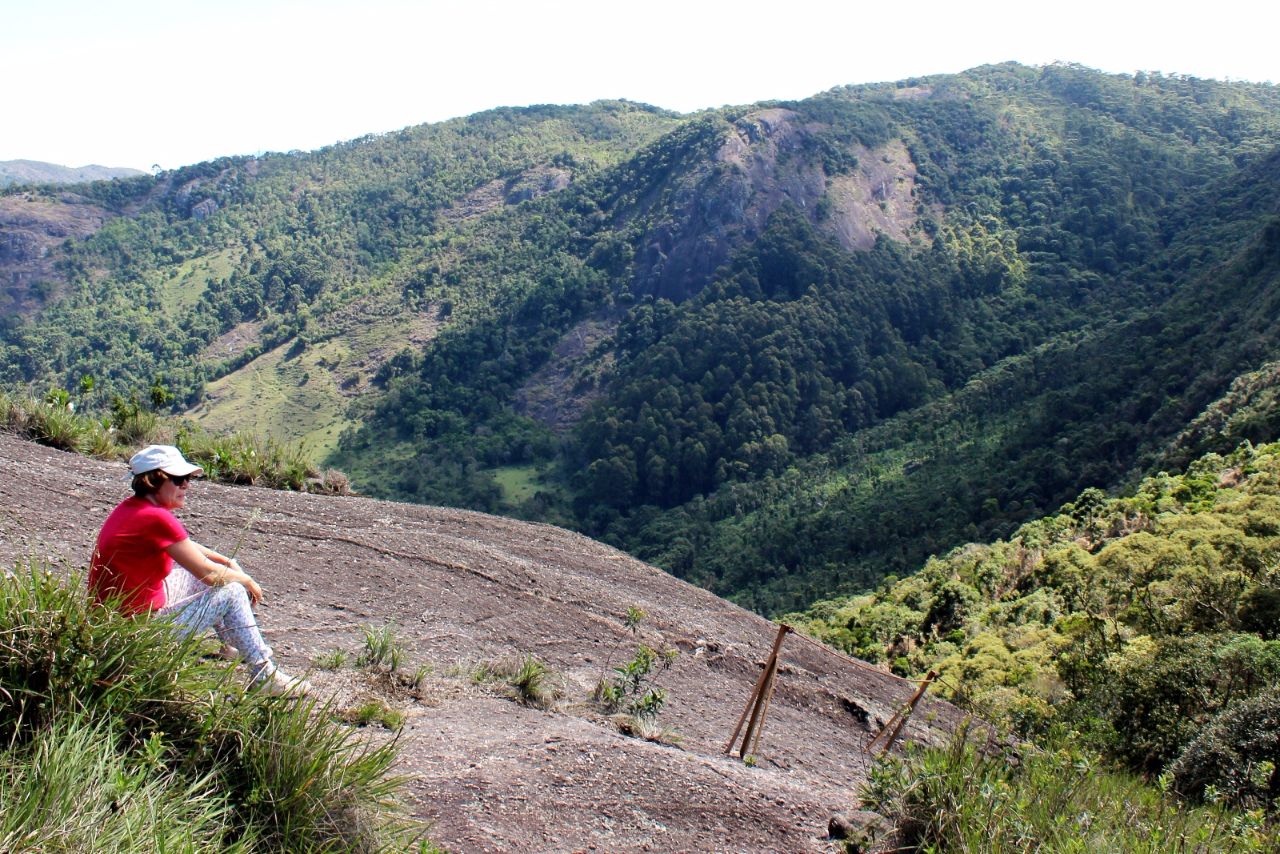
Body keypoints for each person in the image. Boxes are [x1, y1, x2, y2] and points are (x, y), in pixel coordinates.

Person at [90, 444, 310, 696]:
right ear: (153, 481)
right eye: (179, 479)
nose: (187, 485)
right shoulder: (156, 518)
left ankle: (234, 644)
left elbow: (184, 546)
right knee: (232, 591)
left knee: (203, 577)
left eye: (187, 479)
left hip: (115, 625)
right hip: (138, 633)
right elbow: (210, 574)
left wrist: (226, 561)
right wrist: (245, 579)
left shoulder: (133, 509)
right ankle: (264, 675)